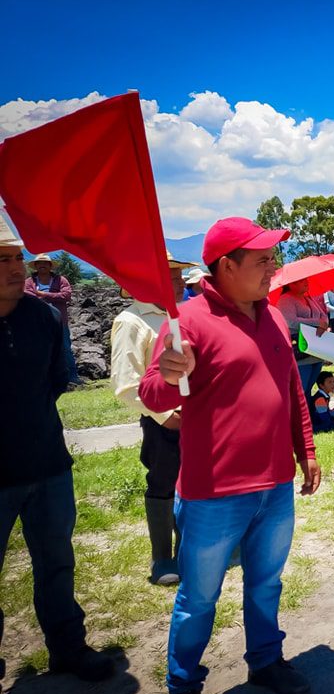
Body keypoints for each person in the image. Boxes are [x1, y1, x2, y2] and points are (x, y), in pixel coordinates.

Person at [139, 217, 321, 694]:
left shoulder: (276, 318)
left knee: (267, 583)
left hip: (275, 486)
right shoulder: (189, 321)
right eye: (262, 259)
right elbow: (152, 392)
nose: (273, 268)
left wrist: (305, 448)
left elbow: (290, 391)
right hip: (212, 492)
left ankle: (265, 661)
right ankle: (184, 688)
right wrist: (170, 373)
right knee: (199, 597)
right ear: (226, 266)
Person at [0, 226, 115, 688]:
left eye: (15, 258)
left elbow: (58, 377)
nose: (14, 268)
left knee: (56, 560)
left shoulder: (45, 318)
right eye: (1, 261)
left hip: (48, 463)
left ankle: (68, 648)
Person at [110, 251, 197, 586]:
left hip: (193, 419)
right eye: (171, 277)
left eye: (179, 276)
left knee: (192, 483)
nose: (179, 283)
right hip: (162, 421)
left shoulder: (181, 316)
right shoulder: (132, 321)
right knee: (162, 482)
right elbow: (125, 384)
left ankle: (189, 550)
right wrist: (164, 415)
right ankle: (162, 557)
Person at [24, 252, 81, 385]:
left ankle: (73, 376)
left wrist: (44, 294)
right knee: (39, 349)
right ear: (36, 266)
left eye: (45, 263)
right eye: (39, 263)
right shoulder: (29, 282)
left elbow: (66, 295)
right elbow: (26, 296)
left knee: (65, 348)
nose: (42, 265)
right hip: (37, 322)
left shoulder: (61, 280)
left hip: (59, 321)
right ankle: (44, 378)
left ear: (50, 266)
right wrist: (49, 296)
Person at [277, 277, 330, 397]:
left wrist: (324, 324)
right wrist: (317, 323)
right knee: (300, 392)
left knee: (308, 389)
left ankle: (309, 415)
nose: (306, 282)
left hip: (316, 352)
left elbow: (323, 316)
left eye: (306, 279)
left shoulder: (308, 298)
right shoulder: (285, 299)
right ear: (290, 283)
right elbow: (290, 321)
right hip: (300, 353)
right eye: (301, 280)